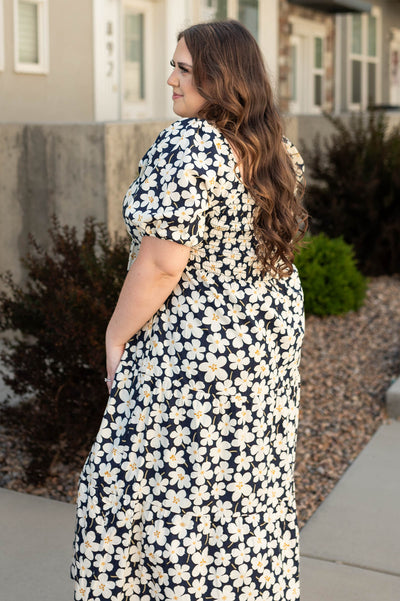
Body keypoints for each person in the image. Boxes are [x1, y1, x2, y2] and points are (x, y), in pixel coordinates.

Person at [71, 19, 307, 601]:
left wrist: (115, 334)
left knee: (166, 483)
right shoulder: (274, 147)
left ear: (221, 77)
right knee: (241, 482)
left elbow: (160, 265)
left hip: (198, 347)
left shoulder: (189, 145)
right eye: (173, 65)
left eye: (183, 69)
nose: (170, 80)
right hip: (262, 340)